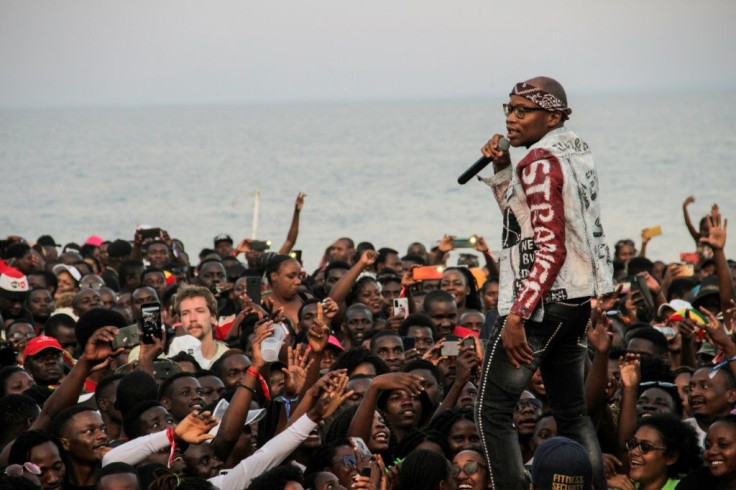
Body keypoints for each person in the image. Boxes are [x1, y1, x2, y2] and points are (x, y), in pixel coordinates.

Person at [475, 76, 614, 490]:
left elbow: (548, 248)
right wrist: (503, 167)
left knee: (492, 411)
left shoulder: (538, 161)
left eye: (522, 111)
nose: (511, 119)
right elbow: (525, 222)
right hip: (577, 299)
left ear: (552, 115)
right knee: (572, 412)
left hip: (543, 301)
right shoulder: (574, 150)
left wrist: (518, 313)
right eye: (508, 109)